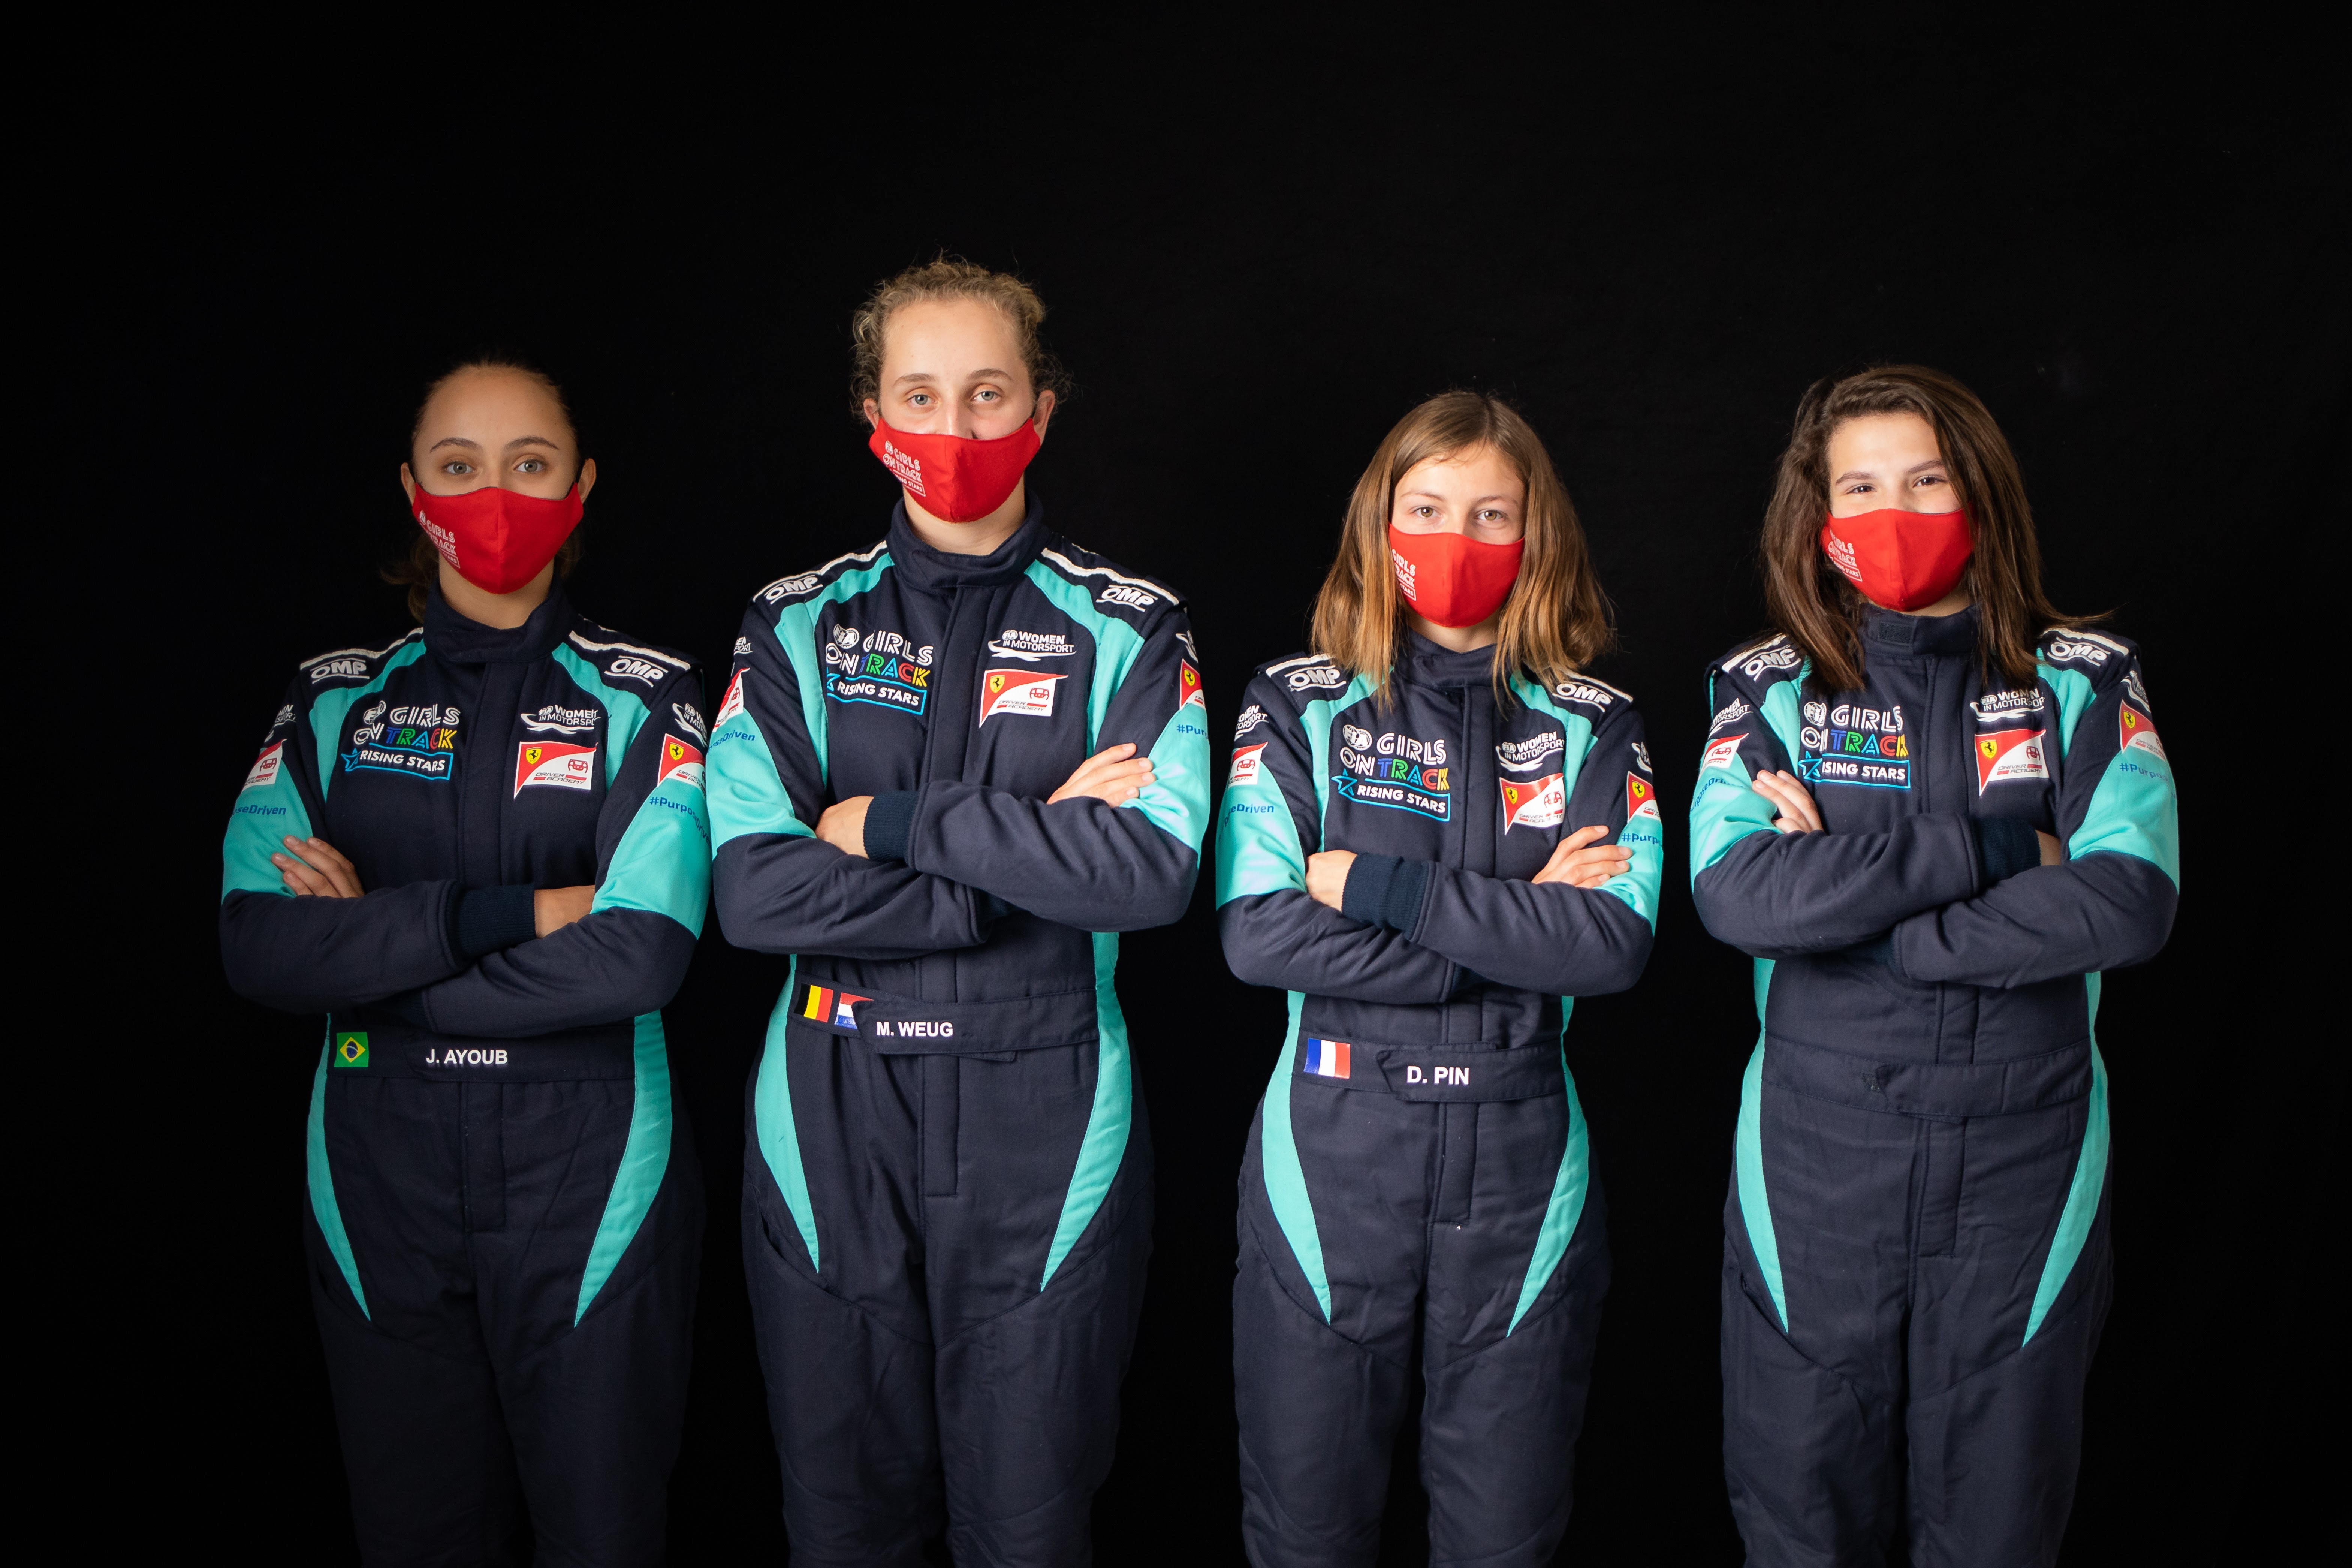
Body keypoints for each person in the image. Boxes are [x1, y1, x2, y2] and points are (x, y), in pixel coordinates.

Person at [706, 259, 1208, 1566]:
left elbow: (1146, 876)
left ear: (1041, 406)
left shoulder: (1132, 626)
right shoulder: (794, 623)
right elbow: (754, 891)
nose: (954, 427)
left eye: (986, 394)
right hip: (829, 1096)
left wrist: (884, 821)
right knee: (841, 1522)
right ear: (871, 413)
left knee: (1029, 1524)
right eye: (919, 396)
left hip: (1048, 1099)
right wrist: (1029, 852)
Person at [219, 359, 711, 1567]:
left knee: (603, 1533)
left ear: (580, 487)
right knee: (414, 1535)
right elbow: (259, 945)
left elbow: (637, 958)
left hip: (591, 1161)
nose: (494, 494)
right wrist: (525, 911)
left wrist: (376, 962)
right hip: (374, 1166)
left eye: (530, 465)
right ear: (412, 489)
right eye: (459, 466)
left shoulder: (650, 697)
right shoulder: (331, 699)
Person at [1690, 365, 2180, 1566]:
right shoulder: (1766, 689)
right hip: (1814, 1152)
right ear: (1817, 517)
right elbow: (1737, 893)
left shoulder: (2081, 678)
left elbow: (2129, 901)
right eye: (1860, 488)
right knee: (1799, 1513)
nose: (1893, 512)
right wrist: (2000, 849)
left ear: (1979, 495)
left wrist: (1885, 919)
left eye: (1925, 481)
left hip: (2025, 1148)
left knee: (1998, 1522)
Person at [1215, 390, 1661, 1566]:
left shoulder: (1595, 725)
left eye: (1489, 514)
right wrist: (1518, 921)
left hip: (1521, 1156)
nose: (1455, 539)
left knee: (1505, 1538)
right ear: (1378, 522)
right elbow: (1259, 937)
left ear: (1534, 534)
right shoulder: (1295, 704)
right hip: (1329, 1148)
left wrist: (1372, 886)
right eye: (1424, 509)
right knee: (1305, 1530)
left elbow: (1606, 948)